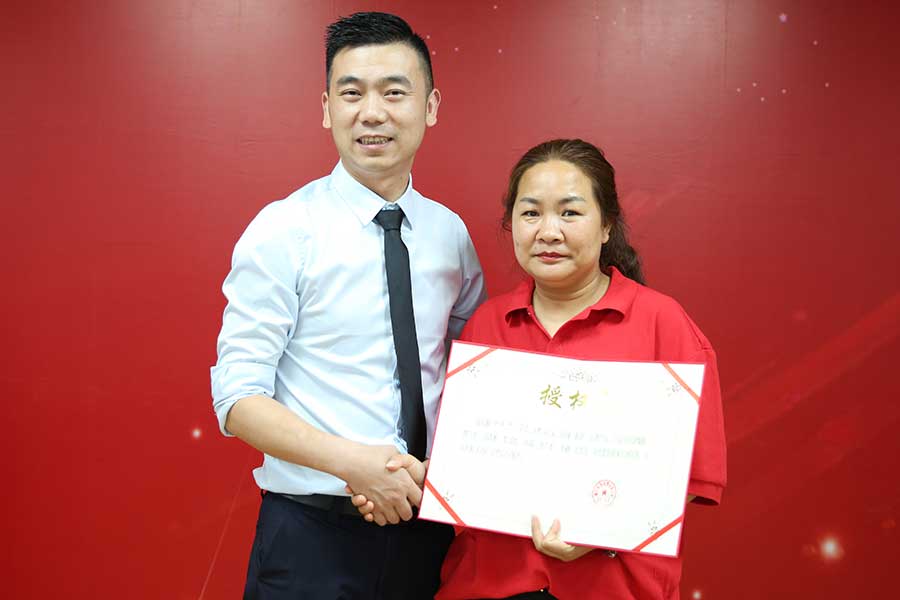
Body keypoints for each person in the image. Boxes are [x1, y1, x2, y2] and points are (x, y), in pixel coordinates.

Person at [351, 139, 726, 599]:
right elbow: (469, 457)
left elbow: (692, 477)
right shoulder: (487, 324)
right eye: (530, 213)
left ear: (607, 225)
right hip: (488, 586)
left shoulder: (663, 324)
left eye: (570, 213)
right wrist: (406, 480)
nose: (548, 232)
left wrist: (602, 529)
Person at [210, 11, 485, 599]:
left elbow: (473, 371)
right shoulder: (284, 230)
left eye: (394, 92)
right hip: (311, 535)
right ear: (327, 107)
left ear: (431, 106)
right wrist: (354, 465)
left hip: (429, 528)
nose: (372, 112)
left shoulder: (449, 234)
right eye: (352, 93)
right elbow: (237, 399)